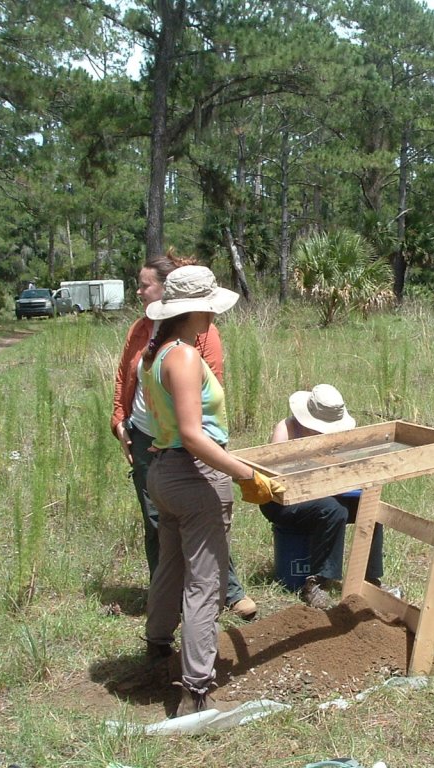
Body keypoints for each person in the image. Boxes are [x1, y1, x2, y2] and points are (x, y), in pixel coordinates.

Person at [141, 265, 283, 716]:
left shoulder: (156, 351)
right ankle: (196, 689)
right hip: (194, 475)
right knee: (206, 583)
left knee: (171, 564)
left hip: (165, 472)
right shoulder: (182, 356)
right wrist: (244, 473)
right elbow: (195, 434)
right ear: (198, 309)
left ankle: (157, 643)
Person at [111, 251, 258, 620]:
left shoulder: (200, 337)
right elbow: (123, 377)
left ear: (166, 291)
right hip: (152, 438)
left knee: (201, 527)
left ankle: (224, 592)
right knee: (164, 524)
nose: (139, 292)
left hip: (181, 443)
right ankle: (182, 618)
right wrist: (119, 419)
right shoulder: (144, 333)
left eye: (145, 285)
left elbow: (206, 396)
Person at [259, 384, 387, 609]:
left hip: (325, 493)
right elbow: (276, 480)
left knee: (371, 506)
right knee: (333, 509)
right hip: (282, 501)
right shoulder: (286, 430)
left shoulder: (336, 436)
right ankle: (317, 582)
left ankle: (371, 579)